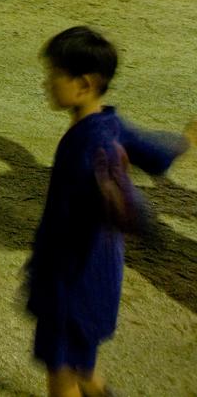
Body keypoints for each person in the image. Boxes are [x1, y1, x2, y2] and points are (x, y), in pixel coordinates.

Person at [27, 26, 194, 397]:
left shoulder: (91, 146)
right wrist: (186, 141)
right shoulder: (110, 124)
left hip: (71, 277)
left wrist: (141, 220)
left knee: (62, 375)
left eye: (53, 75)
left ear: (84, 85)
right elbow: (154, 153)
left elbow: (123, 200)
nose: (46, 83)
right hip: (99, 272)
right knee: (82, 366)